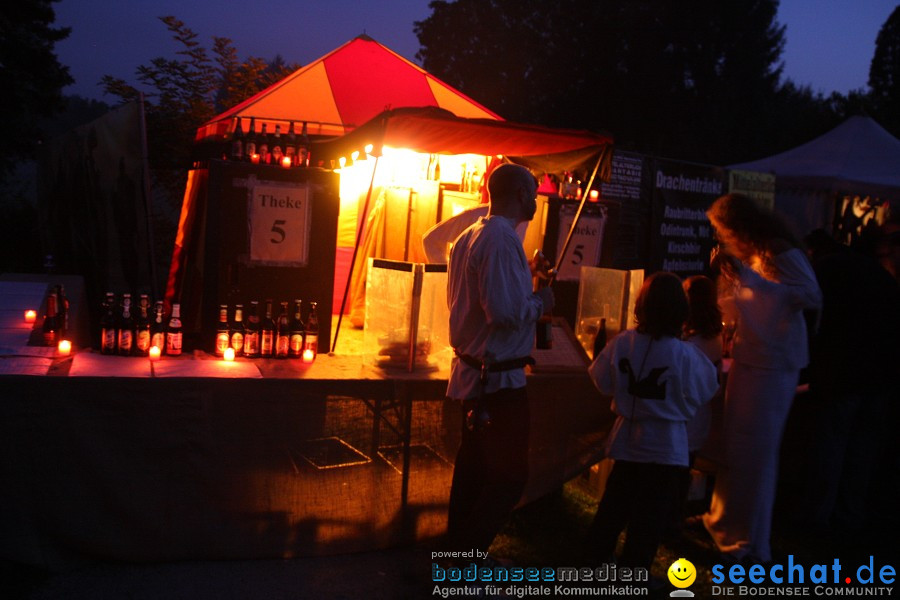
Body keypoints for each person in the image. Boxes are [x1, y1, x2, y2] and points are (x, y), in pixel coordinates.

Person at [700, 194, 822, 564]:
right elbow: (746, 295)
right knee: (737, 442)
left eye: (724, 231)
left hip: (774, 362)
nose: (723, 238)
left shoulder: (780, 251)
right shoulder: (752, 253)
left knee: (758, 448)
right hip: (750, 355)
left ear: (740, 227)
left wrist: (750, 278)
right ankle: (724, 520)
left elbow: (810, 295)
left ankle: (749, 539)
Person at [444, 163, 554, 554]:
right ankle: (463, 567)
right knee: (508, 479)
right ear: (522, 195)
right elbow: (504, 313)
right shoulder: (501, 239)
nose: (538, 201)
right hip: (497, 384)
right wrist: (540, 302)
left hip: (478, 377)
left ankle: (456, 562)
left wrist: (525, 275)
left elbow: (487, 301)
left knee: (474, 475)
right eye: (536, 194)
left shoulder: (469, 236)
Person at [584, 272, 718, 570]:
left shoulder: (623, 344)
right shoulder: (686, 355)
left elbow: (602, 381)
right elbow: (706, 389)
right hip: (665, 449)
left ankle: (593, 566)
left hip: (628, 444)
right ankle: (632, 573)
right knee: (648, 522)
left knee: (613, 510)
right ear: (680, 310)